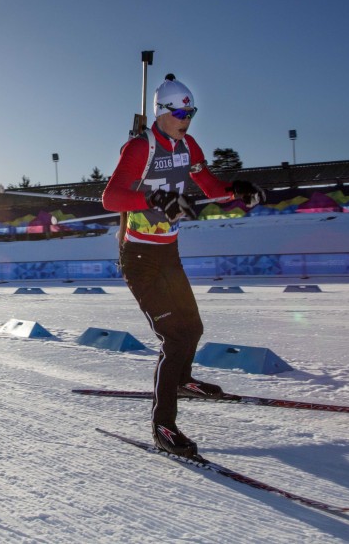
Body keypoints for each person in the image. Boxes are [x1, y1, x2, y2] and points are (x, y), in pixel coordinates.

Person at [102, 73, 265, 458]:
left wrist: (236, 192)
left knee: (192, 328)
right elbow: (111, 198)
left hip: (167, 251)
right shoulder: (140, 148)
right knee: (174, 337)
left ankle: (181, 381)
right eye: (179, 111)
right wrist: (157, 199)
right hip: (139, 257)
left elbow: (209, 187)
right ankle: (163, 426)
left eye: (191, 110)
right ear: (161, 112)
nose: (186, 117)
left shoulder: (188, 145)